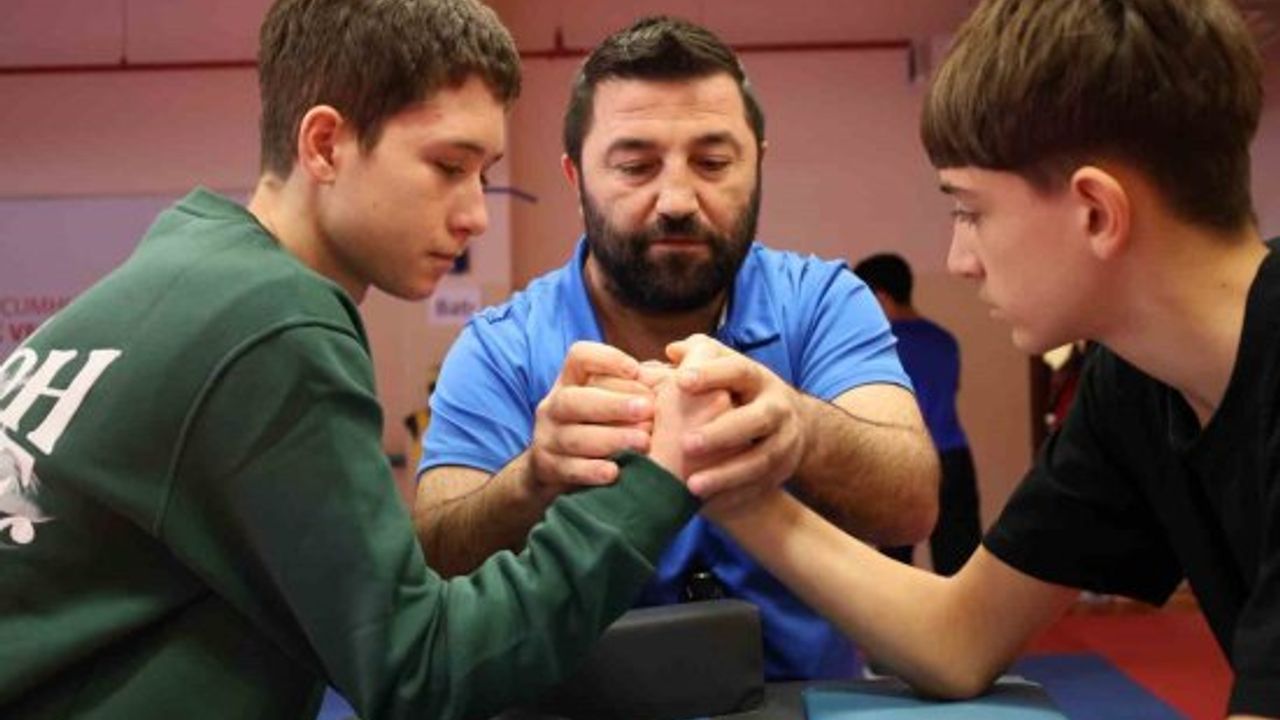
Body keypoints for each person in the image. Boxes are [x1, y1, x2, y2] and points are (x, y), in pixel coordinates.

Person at [0, 1, 725, 718]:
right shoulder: (271, 320)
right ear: (325, 145)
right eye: (448, 166)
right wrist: (651, 482)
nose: (475, 215)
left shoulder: (187, 269)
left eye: (483, 174)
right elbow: (424, 671)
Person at [692, 0, 1280, 716]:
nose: (958, 260)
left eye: (970, 211)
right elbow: (958, 638)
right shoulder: (1137, 382)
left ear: (1096, 212)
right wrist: (735, 485)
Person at [415, 15, 940, 682]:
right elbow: (435, 557)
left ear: (757, 165)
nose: (677, 200)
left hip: (805, 699)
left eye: (713, 163)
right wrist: (534, 479)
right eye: (636, 167)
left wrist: (803, 431)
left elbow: (912, 504)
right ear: (576, 178)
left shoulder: (821, 303)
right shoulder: (501, 347)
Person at [854, 253, 981, 576]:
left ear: (881, 296)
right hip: (954, 457)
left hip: (904, 458)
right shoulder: (945, 340)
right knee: (959, 564)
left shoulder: (881, 345)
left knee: (896, 565)